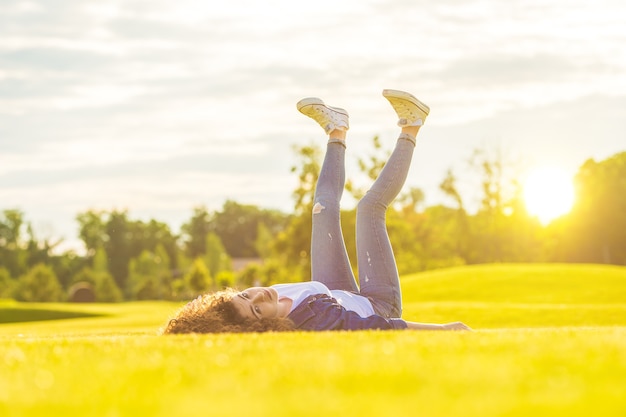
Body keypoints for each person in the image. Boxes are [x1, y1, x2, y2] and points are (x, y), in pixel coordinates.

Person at [162, 89, 470, 334]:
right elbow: (381, 327)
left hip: (334, 292)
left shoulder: (264, 300)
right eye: (256, 310)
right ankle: (412, 125)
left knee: (321, 209)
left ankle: (337, 130)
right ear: (266, 327)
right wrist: (443, 329)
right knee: (368, 209)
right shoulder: (311, 322)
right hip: (378, 304)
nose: (259, 296)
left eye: (245, 295)